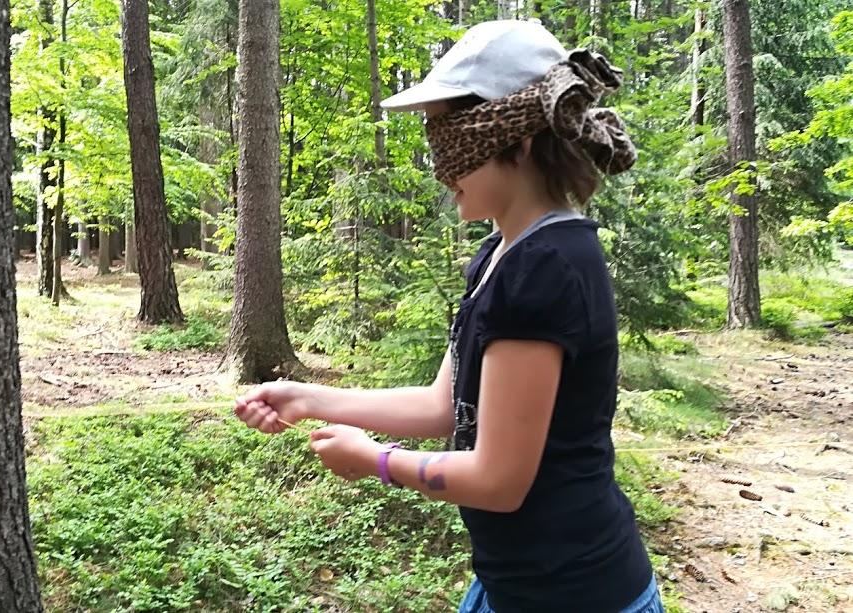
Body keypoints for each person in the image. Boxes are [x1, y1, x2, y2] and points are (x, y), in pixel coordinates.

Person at [234, 20, 664, 613]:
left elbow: (499, 481)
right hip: (513, 581)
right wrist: (309, 397)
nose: (439, 163)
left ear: (514, 140)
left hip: (575, 591)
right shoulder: (501, 253)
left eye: (447, 134)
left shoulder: (545, 267)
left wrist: (375, 461)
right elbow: (444, 407)